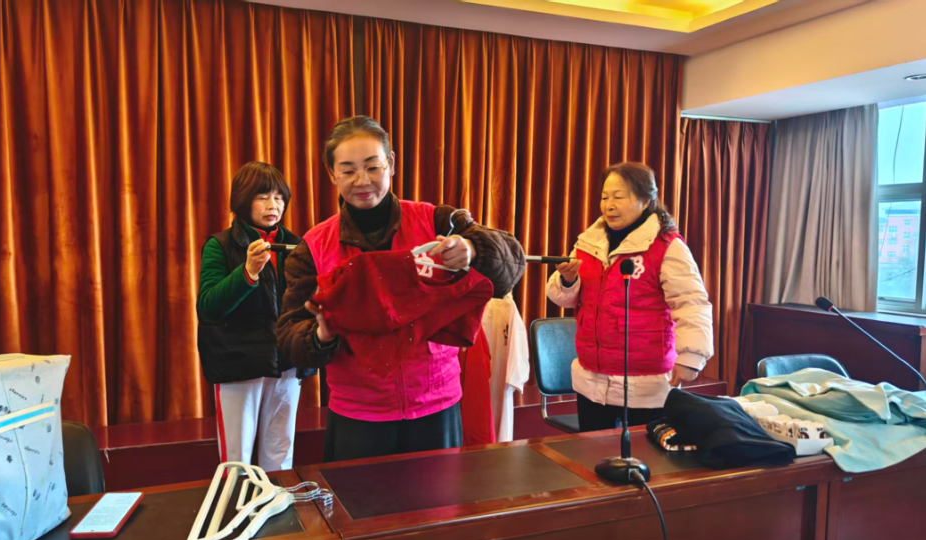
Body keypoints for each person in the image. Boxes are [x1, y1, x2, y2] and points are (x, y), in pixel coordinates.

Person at [277, 115, 526, 462]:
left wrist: (472, 250)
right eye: (348, 171)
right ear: (332, 174)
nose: (362, 181)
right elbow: (288, 337)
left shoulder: (437, 221)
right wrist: (321, 335)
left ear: (391, 164)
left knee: (438, 498)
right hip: (357, 415)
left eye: (372, 167)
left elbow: (512, 262)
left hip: (436, 406)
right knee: (359, 499)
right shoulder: (314, 247)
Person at [546, 162, 713, 432]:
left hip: (644, 384)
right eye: (604, 197)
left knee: (643, 454)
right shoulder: (588, 243)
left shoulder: (667, 246)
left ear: (646, 200)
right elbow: (564, 299)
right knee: (592, 453)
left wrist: (691, 356)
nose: (609, 205)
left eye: (619, 197)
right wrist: (568, 280)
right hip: (591, 379)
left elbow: (692, 303)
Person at [196, 161, 314, 470]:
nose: (273, 205)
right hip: (238, 362)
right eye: (263, 197)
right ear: (243, 200)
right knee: (236, 459)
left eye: (279, 197)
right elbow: (208, 308)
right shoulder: (221, 244)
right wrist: (247, 272)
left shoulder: (298, 244)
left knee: (280, 453)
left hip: (286, 362)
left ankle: (278, 500)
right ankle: (237, 501)